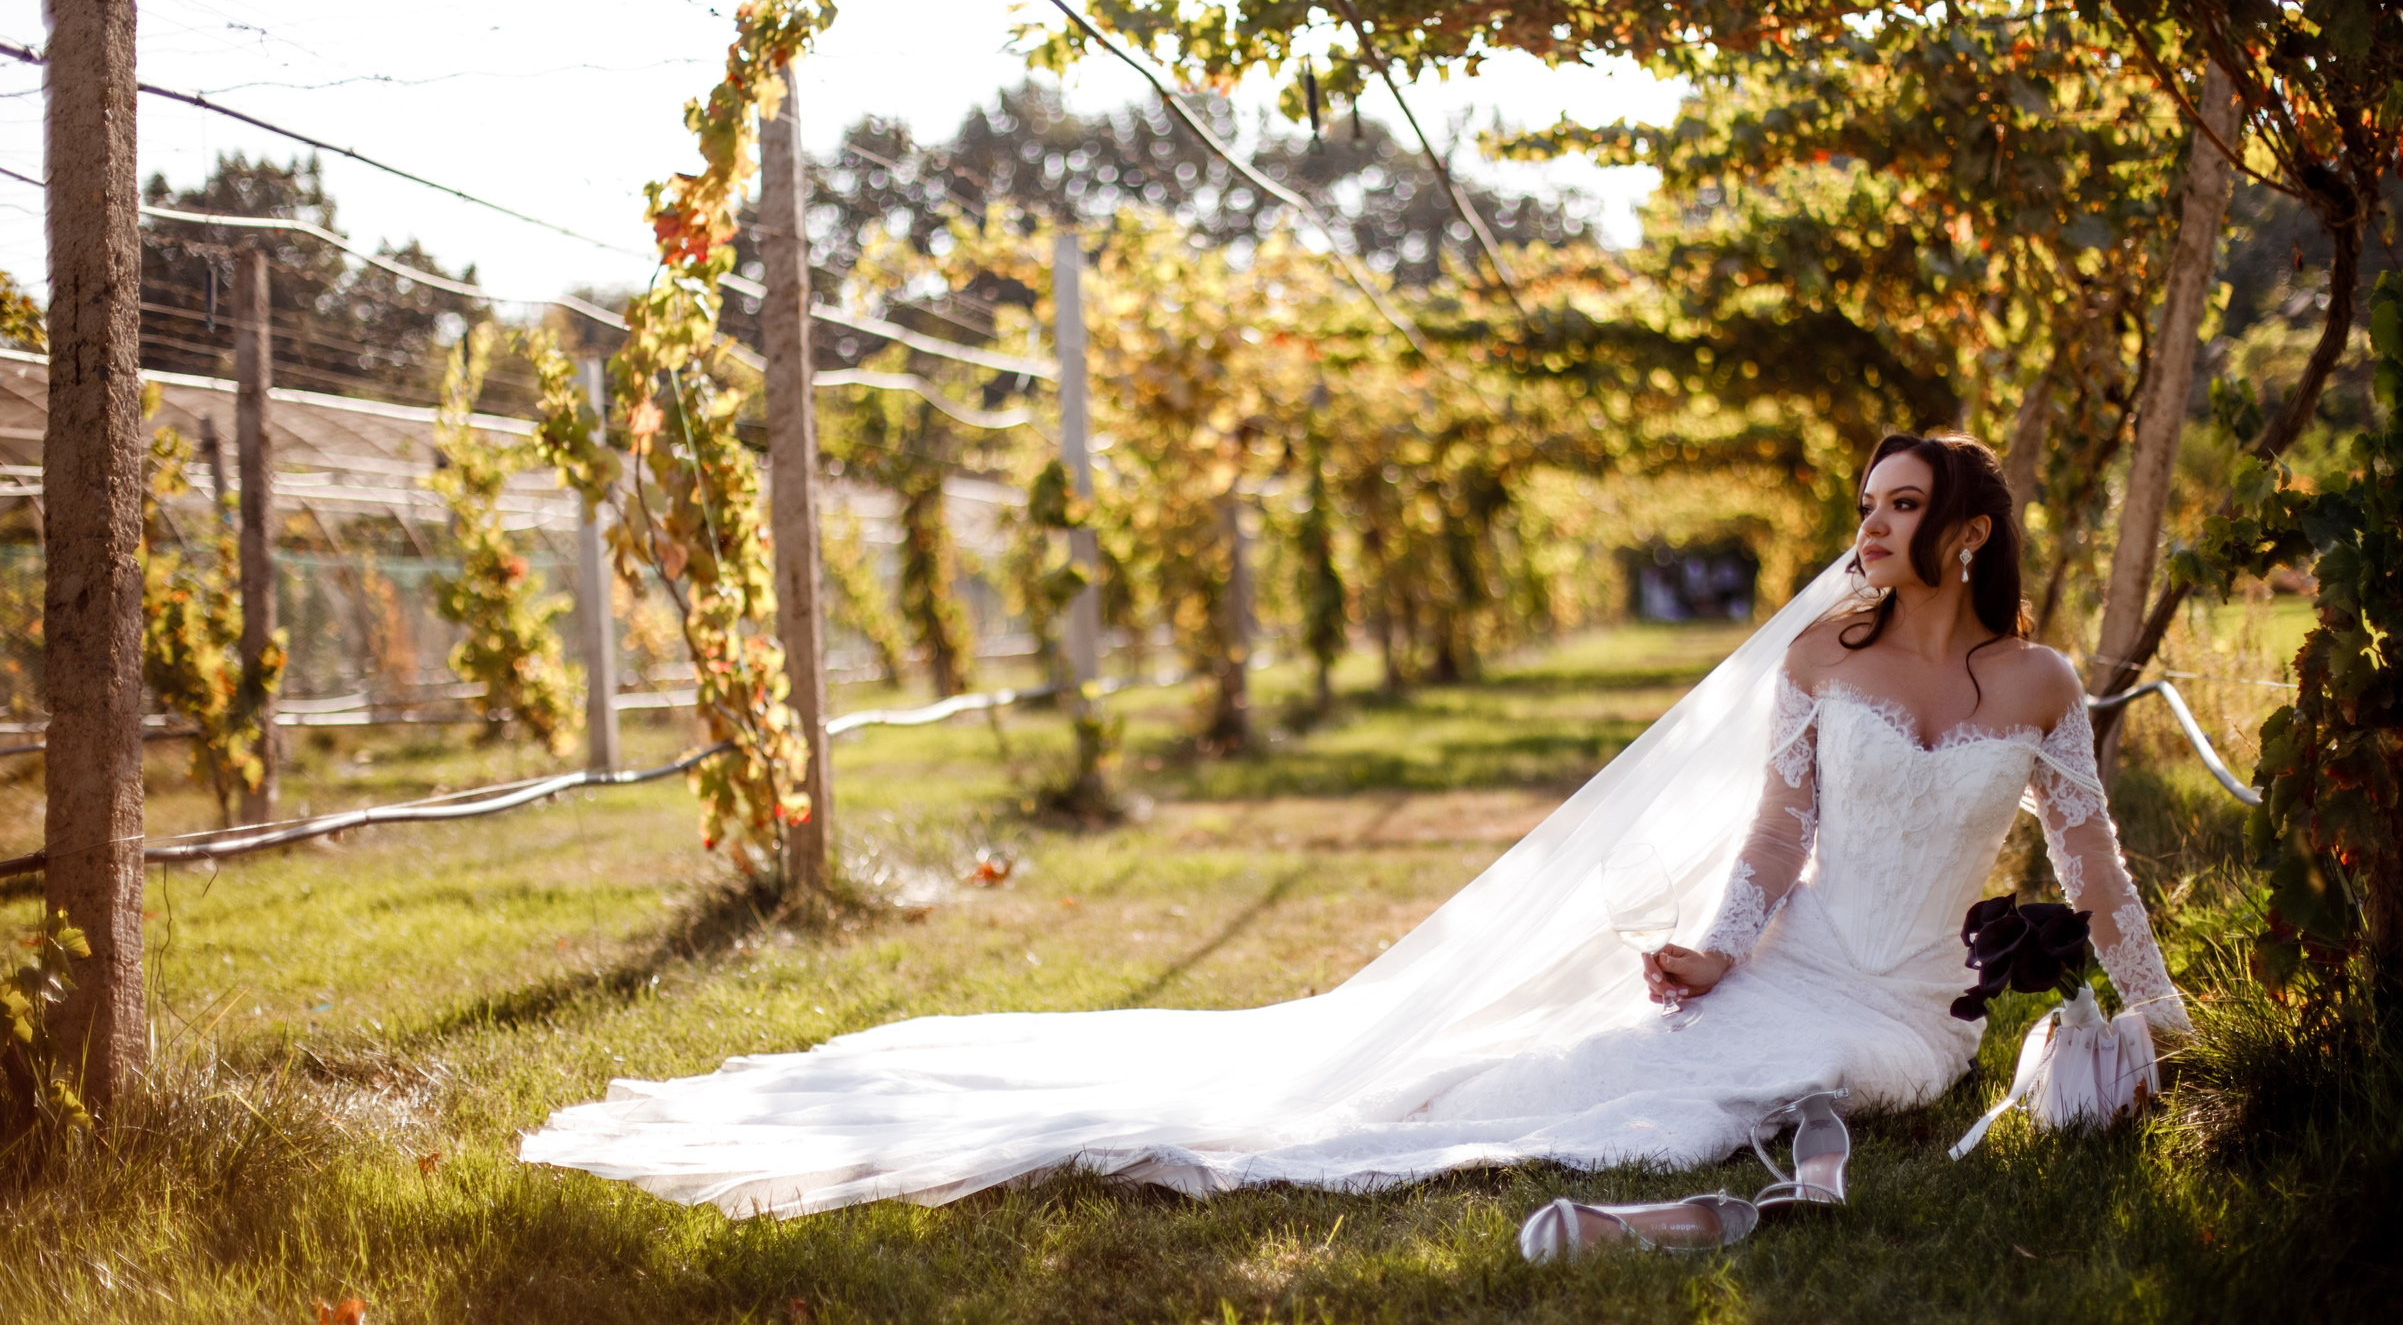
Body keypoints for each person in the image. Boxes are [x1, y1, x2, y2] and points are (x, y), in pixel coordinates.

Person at [522, 432, 2187, 1222]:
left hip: (1914, 1010)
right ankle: (1351, 1103)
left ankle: (1479, 1113)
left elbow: (2090, 859)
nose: (1873, 527)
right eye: (1867, 503)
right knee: (1592, 1071)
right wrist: (1715, 946)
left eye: (1905, 507)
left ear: (1970, 532)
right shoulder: (1823, 658)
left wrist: (2156, 1007)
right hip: (1799, 953)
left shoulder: (2041, 682)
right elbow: (1771, 839)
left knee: (1760, 1094)